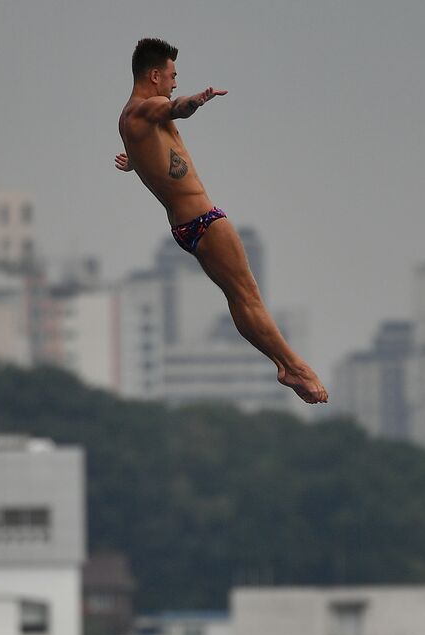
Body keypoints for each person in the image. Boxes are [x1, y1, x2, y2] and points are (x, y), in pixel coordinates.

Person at [116, 37, 328, 404]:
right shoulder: (147, 109)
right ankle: (294, 366)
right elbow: (175, 108)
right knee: (248, 295)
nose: (175, 83)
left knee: (239, 297)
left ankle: (283, 363)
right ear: (154, 76)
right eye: (171, 76)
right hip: (203, 219)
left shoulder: (130, 120)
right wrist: (194, 102)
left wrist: (135, 160)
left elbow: (155, 154)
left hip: (186, 226)